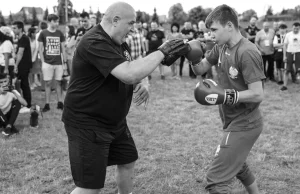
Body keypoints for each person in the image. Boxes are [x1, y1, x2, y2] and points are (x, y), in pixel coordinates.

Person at [61, 2, 188, 194]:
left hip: (114, 121)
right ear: (115, 20)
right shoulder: (94, 41)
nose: (133, 29)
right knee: (89, 187)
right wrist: (163, 51)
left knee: (127, 159)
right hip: (88, 123)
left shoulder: (119, 43)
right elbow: (129, 73)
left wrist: (143, 83)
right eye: (130, 23)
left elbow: (130, 69)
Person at [169, 4, 265, 194]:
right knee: (238, 165)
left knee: (216, 180)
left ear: (229, 25)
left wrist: (226, 95)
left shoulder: (247, 52)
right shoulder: (221, 47)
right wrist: (191, 54)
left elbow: (258, 94)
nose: (211, 35)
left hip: (246, 121)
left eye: (214, 30)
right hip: (230, 118)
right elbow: (200, 69)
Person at [38, 14, 66, 112]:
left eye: (58, 21)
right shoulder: (43, 33)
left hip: (58, 63)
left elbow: (63, 49)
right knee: (48, 83)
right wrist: (43, 62)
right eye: (55, 21)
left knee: (59, 82)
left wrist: (65, 62)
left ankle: (60, 102)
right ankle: (47, 104)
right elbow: (40, 49)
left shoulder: (60, 33)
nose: (57, 23)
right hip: (47, 63)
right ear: (50, 21)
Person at [12, 21, 32, 112]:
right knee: (21, 84)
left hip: (24, 65)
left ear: (20, 28)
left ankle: (27, 105)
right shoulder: (20, 38)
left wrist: (16, 65)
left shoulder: (24, 38)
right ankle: (24, 103)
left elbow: (20, 53)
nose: (13, 29)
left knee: (24, 85)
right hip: (22, 65)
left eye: (15, 28)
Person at [281, 22, 300, 91]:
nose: (295, 30)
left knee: (299, 70)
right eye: (294, 28)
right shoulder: (288, 35)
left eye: (297, 29)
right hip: (289, 53)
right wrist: (284, 56)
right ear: (292, 27)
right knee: (287, 70)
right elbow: (285, 46)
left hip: (298, 53)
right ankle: (284, 86)